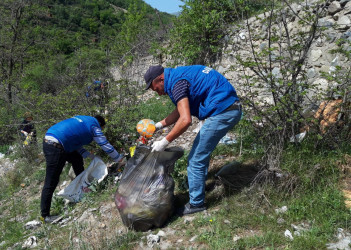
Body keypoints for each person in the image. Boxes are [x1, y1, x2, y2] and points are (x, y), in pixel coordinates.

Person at [144, 65, 242, 216]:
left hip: (223, 111)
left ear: (161, 79)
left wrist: (163, 142)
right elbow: (181, 109)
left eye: (155, 89)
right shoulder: (178, 77)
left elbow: (185, 120)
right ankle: (200, 189)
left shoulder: (177, 84)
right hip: (228, 107)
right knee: (200, 154)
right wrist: (158, 125)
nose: (158, 93)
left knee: (195, 159)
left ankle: (196, 204)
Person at [40, 115, 123, 223]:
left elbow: (75, 142)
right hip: (55, 146)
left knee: (77, 159)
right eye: (101, 129)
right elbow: (104, 144)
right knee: (51, 181)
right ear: (101, 125)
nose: (101, 130)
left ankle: (83, 186)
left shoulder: (83, 120)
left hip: (54, 139)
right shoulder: (94, 126)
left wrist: (90, 156)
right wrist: (119, 158)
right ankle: (45, 216)